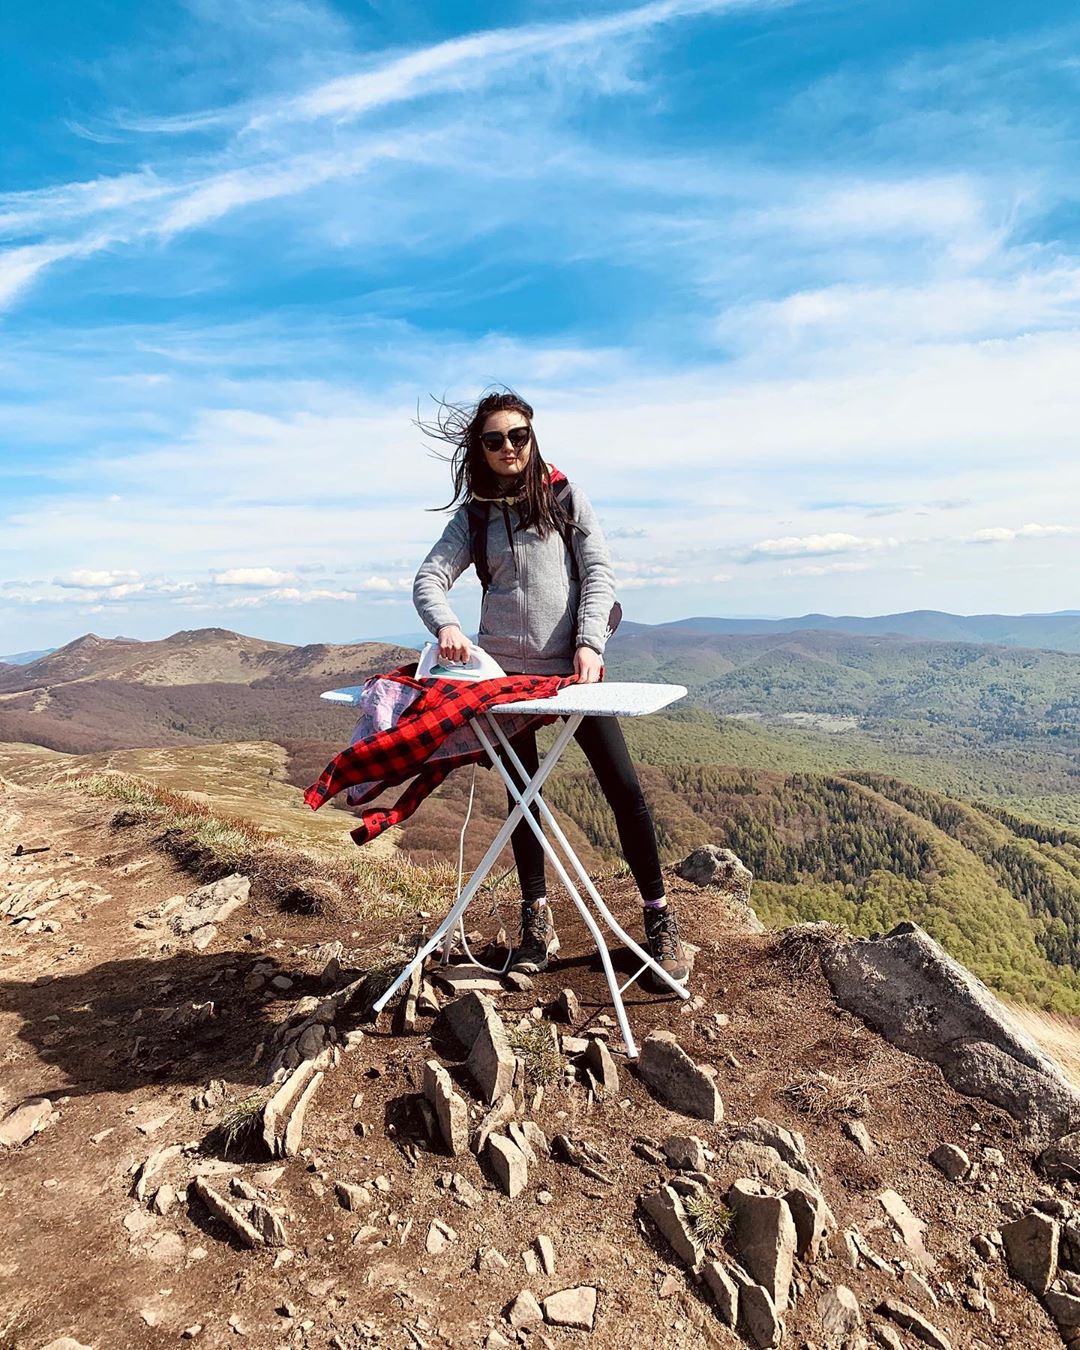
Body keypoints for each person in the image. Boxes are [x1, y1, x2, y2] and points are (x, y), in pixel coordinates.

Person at [412, 389, 688, 988]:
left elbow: (598, 574)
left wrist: (590, 642)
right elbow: (429, 578)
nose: (508, 447)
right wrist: (448, 625)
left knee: (625, 790)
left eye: (518, 435)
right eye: (494, 439)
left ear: (533, 437)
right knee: (523, 802)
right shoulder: (476, 515)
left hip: (571, 671)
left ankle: (659, 920)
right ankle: (536, 921)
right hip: (505, 678)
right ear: (478, 449)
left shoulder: (565, 497)